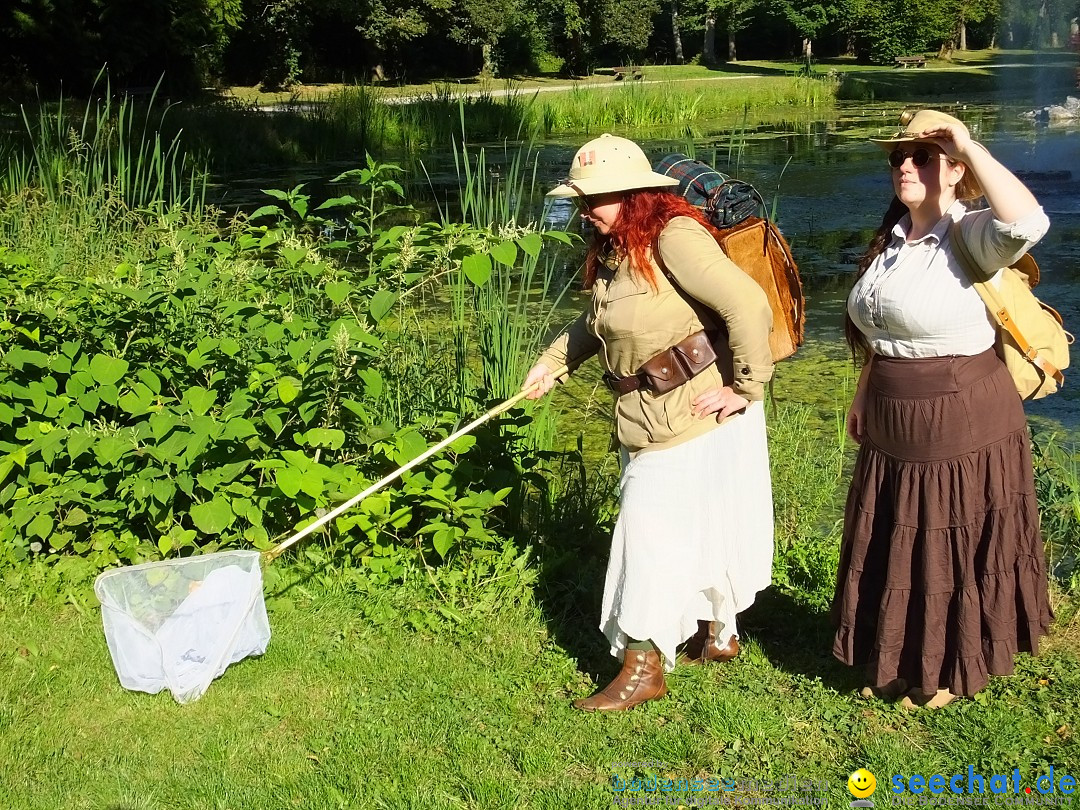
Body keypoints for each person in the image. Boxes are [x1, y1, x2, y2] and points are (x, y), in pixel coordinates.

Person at [522, 134, 776, 712]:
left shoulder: (675, 236)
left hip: (692, 412)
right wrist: (551, 365)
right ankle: (720, 635)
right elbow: (598, 321)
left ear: (634, 194)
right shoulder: (615, 246)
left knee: (646, 534)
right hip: (644, 413)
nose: (586, 209)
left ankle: (642, 667)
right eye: (582, 198)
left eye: (597, 199)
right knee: (700, 523)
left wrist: (745, 389)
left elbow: (748, 305)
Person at [833, 109, 1054, 709]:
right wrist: (863, 395)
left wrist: (965, 141)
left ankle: (951, 668)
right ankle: (902, 656)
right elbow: (880, 333)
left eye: (922, 156)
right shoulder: (893, 239)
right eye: (897, 157)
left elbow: (1031, 221)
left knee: (942, 538)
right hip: (891, 410)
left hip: (957, 414)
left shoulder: (972, 235)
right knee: (897, 533)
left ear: (954, 171)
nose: (904, 165)